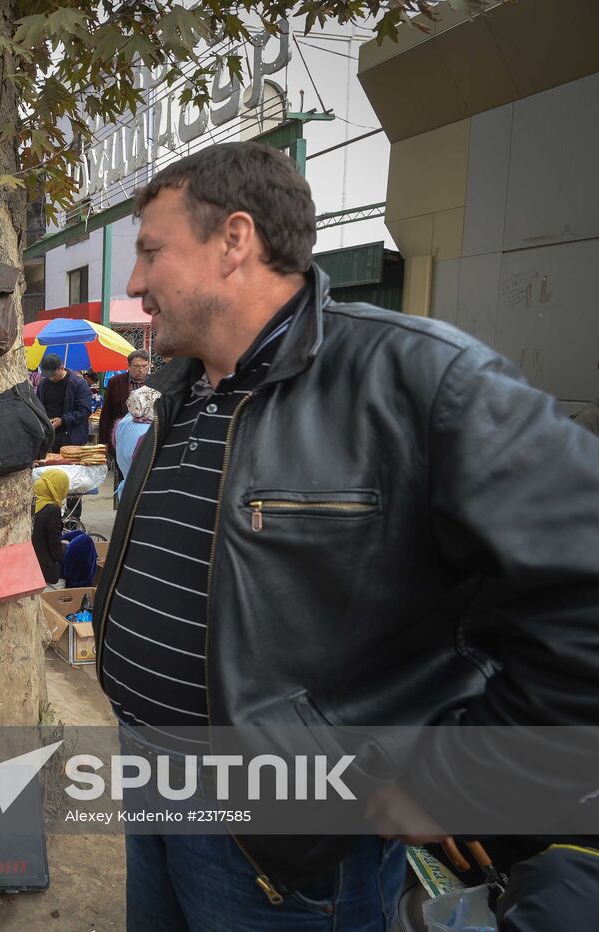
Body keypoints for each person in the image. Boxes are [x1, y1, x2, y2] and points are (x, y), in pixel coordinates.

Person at [93, 141, 599, 929]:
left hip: (286, 837)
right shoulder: (185, 388)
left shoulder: (419, 379)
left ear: (235, 240)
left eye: (151, 252)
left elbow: (583, 586)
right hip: (150, 776)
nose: (133, 283)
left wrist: (475, 778)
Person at [97, 350, 151, 485]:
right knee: (124, 477)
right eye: (137, 366)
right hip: (121, 438)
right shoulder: (116, 382)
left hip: (147, 438)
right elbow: (107, 412)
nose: (141, 370)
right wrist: (104, 441)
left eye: (145, 366)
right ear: (128, 366)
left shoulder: (156, 382)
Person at [37, 352, 94, 449]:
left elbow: (85, 411)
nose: (51, 378)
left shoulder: (79, 384)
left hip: (71, 437)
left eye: (54, 374)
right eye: (48, 375)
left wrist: (63, 420)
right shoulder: (43, 384)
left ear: (61, 367)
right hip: (48, 436)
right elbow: (37, 406)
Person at [32, 469, 70, 587]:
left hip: (33, 560)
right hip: (45, 569)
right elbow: (56, 552)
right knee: (85, 543)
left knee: (75, 536)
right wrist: (65, 546)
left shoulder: (33, 503)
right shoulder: (51, 510)